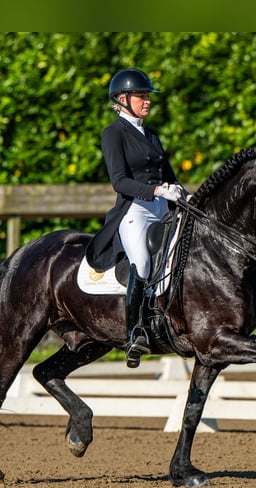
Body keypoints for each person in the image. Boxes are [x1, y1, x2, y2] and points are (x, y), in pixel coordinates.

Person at [85, 68, 186, 368]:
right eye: (141, 96)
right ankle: (134, 333)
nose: (147, 101)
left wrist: (184, 194)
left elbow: (170, 175)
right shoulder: (113, 133)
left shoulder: (151, 134)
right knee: (141, 263)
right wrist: (156, 190)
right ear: (121, 99)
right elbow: (120, 182)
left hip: (162, 209)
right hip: (135, 211)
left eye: (147, 96)